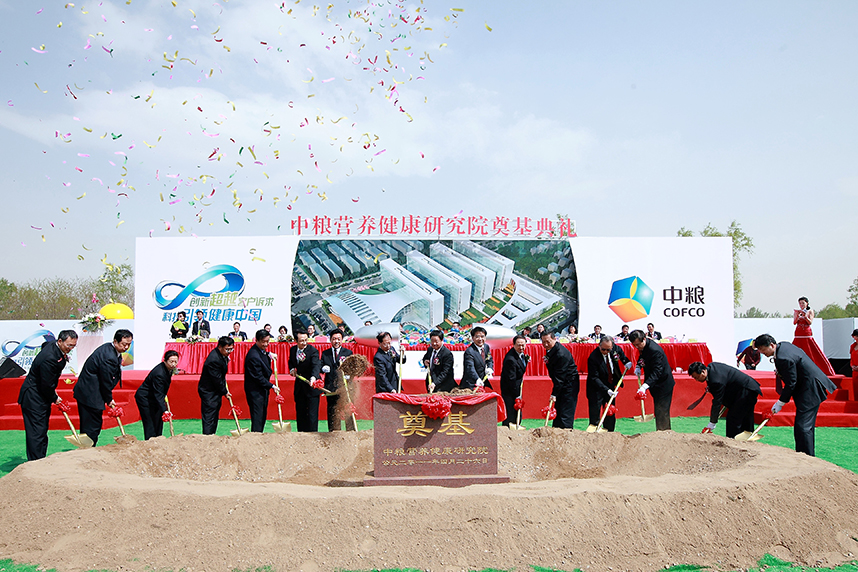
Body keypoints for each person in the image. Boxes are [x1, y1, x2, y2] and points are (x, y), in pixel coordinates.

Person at [753, 334, 836, 456]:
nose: (762, 352)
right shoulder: (784, 346)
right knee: (805, 426)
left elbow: (791, 383)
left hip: (809, 390)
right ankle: (806, 454)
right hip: (808, 387)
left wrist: (780, 402)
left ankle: (805, 457)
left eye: (763, 349)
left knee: (803, 427)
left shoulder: (783, 358)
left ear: (771, 345)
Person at [18, 330, 78, 460]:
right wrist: (55, 398)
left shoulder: (53, 347)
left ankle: (41, 459)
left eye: (73, 346)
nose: (70, 349)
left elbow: (44, 345)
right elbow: (46, 384)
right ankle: (36, 462)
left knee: (41, 429)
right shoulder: (49, 358)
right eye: (69, 345)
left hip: (41, 394)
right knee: (36, 432)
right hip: (34, 396)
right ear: (60, 341)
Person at [73, 329, 133, 445]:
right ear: (115, 342)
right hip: (90, 393)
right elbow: (105, 380)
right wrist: (109, 399)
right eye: (124, 344)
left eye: (128, 344)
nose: (126, 347)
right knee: (92, 425)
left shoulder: (110, 349)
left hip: (91, 391)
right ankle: (88, 450)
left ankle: (88, 447)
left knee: (91, 425)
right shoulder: (108, 356)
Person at [688, 361, 762, 438]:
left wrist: (712, 422)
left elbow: (717, 401)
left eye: (697, 377)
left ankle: (732, 440)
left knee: (733, 417)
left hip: (746, 390)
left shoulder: (716, 380)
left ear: (703, 372)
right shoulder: (712, 367)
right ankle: (747, 436)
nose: (697, 380)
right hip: (747, 389)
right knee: (745, 416)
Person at [629, 329, 674, 431]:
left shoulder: (655, 351)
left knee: (662, 410)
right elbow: (643, 356)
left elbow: (657, 372)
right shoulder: (644, 346)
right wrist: (639, 365)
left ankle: (664, 432)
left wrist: (645, 386)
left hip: (663, 384)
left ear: (644, 339)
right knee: (658, 409)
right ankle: (660, 431)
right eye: (634, 345)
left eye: (638, 344)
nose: (637, 347)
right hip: (654, 384)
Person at [586, 336, 633, 432]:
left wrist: (625, 361)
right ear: (599, 346)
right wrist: (606, 390)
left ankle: (610, 432)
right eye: (603, 349)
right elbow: (594, 378)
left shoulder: (614, 349)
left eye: (608, 350)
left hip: (611, 384)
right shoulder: (593, 358)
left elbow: (620, 353)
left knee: (610, 410)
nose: (606, 352)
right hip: (596, 388)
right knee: (595, 412)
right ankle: (595, 431)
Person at [135, 350, 179, 440]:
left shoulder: (169, 369)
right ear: (165, 361)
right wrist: (165, 410)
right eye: (171, 361)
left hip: (155, 397)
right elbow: (158, 394)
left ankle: (158, 439)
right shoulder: (159, 374)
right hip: (145, 398)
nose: (173, 364)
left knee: (158, 419)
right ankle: (150, 441)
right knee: (150, 421)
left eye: (176, 361)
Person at [541, 331, 579, 429]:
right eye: (543, 342)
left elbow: (560, 377)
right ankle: (556, 430)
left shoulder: (561, 354)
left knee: (565, 411)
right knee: (559, 409)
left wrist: (554, 394)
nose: (545, 344)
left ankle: (566, 432)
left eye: (548, 341)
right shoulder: (551, 350)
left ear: (554, 339)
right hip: (561, 382)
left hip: (569, 384)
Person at [244, 329, 280, 433]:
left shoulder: (261, 351)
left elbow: (263, 355)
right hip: (255, 391)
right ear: (257, 340)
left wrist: (269, 354)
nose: (266, 344)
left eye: (267, 341)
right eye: (263, 342)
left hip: (262, 390)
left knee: (262, 415)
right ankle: (256, 436)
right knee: (257, 417)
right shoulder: (253, 356)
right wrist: (272, 386)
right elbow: (258, 377)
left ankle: (260, 434)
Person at [791, 296, 836, 376]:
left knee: (810, 349)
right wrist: (797, 315)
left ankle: (818, 368)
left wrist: (805, 316)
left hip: (806, 332)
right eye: (800, 303)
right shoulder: (797, 312)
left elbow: (810, 322)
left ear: (807, 303)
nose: (801, 305)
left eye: (803, 303)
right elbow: (794, 322)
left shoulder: (810, 311)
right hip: (798, 332)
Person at [198, 336, 234, 434]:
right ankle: (208, 436)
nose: (229, 352)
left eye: (231, 349)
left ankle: (212, 435)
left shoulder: (221, 355)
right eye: (227, 349)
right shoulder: (214, 360)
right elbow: (217, 379)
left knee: (214, 415)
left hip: (215, 390)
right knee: (209, 417)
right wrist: (225, 392)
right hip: (209, 391)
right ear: (220, 347)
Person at [321, 328, 354, 431]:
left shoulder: (348, 352)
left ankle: (350, 432)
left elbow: (353, 368)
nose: (336, 341)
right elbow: (320, 365)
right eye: (334, 339)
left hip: (344, 386)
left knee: (347, 409)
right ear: (330, 340)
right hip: (330, 387)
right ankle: (334, 432)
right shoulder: (325, 353)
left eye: (338, 339)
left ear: (342, 340)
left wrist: (348, 375)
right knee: (332, 411)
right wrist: (322, 368)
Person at [289, 329, 322, 432]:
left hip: (311, 387)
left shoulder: (313, 351)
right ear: (296, 341)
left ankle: (312, 436)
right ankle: (301, 435)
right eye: (301, 341)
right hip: (300, 387)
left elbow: (316, 365)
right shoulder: (293, 350)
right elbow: (291, 362)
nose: (304, 343)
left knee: (312, 415)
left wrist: (313, 377)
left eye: (306, 340)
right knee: (301, 413)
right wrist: (292, 369)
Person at [500, 335, 529, 426]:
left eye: (523, 345)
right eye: (518, 345)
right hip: (510, 390)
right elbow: (511, 380)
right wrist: (517, 395)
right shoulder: (510, 359)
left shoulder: (521, 354)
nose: (521, 347)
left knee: (517, 413)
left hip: (516, 387)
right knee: (511, 413)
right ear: (513, 345)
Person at [461, 326, 494, 390]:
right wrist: (477, 379)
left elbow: (489, 359)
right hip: (470, 384)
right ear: (473, 338)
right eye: (477, 336)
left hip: (482, 381)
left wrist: (490, 367)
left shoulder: (486, 347)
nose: (480, 339)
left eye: (482, 336)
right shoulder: (469, 351)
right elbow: (470, 368)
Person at [851, 329, 858, 400]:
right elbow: (852, 358)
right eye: (856, 336)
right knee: (856, 388)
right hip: (855, 371)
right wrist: (852, 366)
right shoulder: (853, 346)